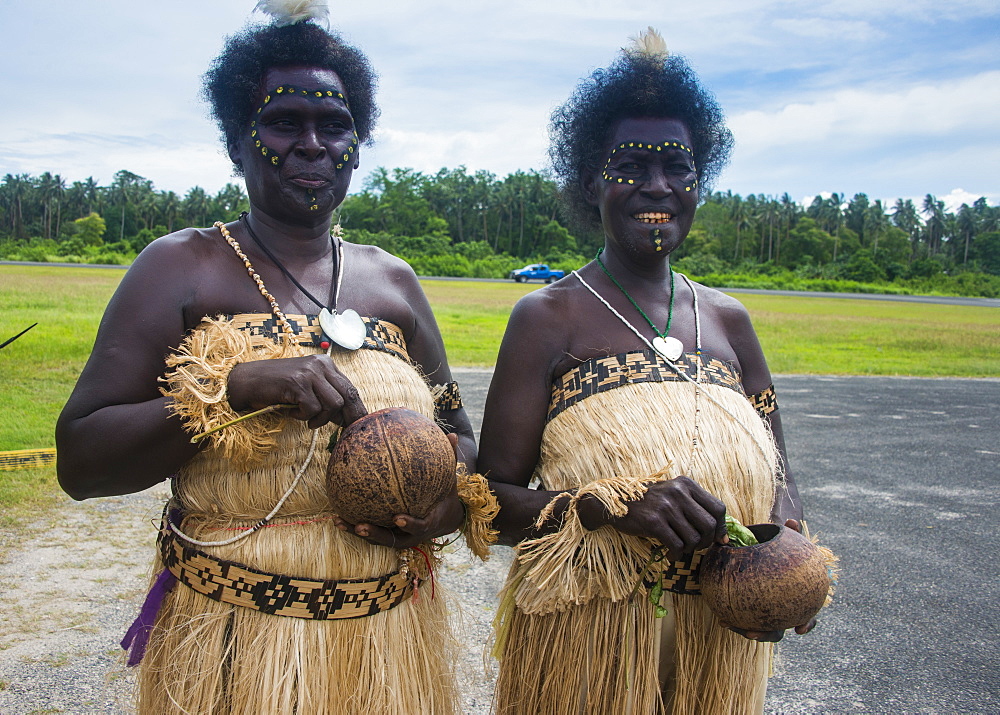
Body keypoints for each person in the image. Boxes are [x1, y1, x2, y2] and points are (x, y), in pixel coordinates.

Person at [55, 3, 496, 713]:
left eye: (335, 124)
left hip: (385, 646)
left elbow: (463, 442)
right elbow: (80, 460)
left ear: (359, 141)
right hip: (234, 648)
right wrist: (232, 391)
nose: (314, 143)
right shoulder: (179, 269)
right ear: (239, 141)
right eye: (285, 122)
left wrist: (437, 506)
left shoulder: (395, 282)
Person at [479, 29, 816, 714]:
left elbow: (782, 487)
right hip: (588, 645)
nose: (656, 186)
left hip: (716, 649)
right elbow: (489, 504)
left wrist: (789, 566)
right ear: (590, 181)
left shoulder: (730, 323)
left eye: (677, 167)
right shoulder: (546, 319)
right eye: (630, 165)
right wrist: (605, 506)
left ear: (699, 180)